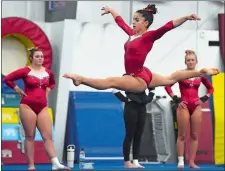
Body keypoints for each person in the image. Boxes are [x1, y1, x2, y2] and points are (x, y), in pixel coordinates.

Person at [63, 4, 219, 93]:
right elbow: (120, 22)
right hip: (142, 71)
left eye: (136, 20)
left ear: (145, 23)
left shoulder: (148, 37)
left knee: (111, 81)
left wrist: (185, 17)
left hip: (138, 78)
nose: (133, 23)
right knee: (170, 78)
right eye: (133, 20)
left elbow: (167, 26)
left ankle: (81, 79)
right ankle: (200, 72)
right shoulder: (132, 34)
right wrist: (112, 11)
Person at [3, 48, 69, 170]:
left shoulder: (48, 72)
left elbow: (52, 83)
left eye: (42, 57)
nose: (40, 59)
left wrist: (48, 89)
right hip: (27, 106)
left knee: (47, 136)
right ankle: (31, 165)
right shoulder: (25, 71)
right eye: (37, 56)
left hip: (43, 107)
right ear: (31, 58)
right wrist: (17, 89)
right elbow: (7, 79)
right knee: (30, 136)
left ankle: (55, 163)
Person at [164, 50, 214, 169]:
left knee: (194, 135)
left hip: (196, 106)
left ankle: (191, 161)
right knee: (181, 134)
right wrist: (176, 99)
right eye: (188, 60)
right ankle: (181, 160)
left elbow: (211, 89)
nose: (190, 62)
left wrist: (204, 98)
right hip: (184, 106)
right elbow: (167, 85)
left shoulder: (201, 75)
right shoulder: (181, 74)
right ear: (185, 62)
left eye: (192, 60)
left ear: (196, 62)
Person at [113, 86, 155, 168]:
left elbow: (153, 88)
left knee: (138, 135)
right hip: (131, 107)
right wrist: (125, 99)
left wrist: (149, 98)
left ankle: (136, 161)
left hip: (142, 108)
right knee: (129, 135)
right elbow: (114, 89)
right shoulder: (127, 77)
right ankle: (127, 162)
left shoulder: (144, 78)